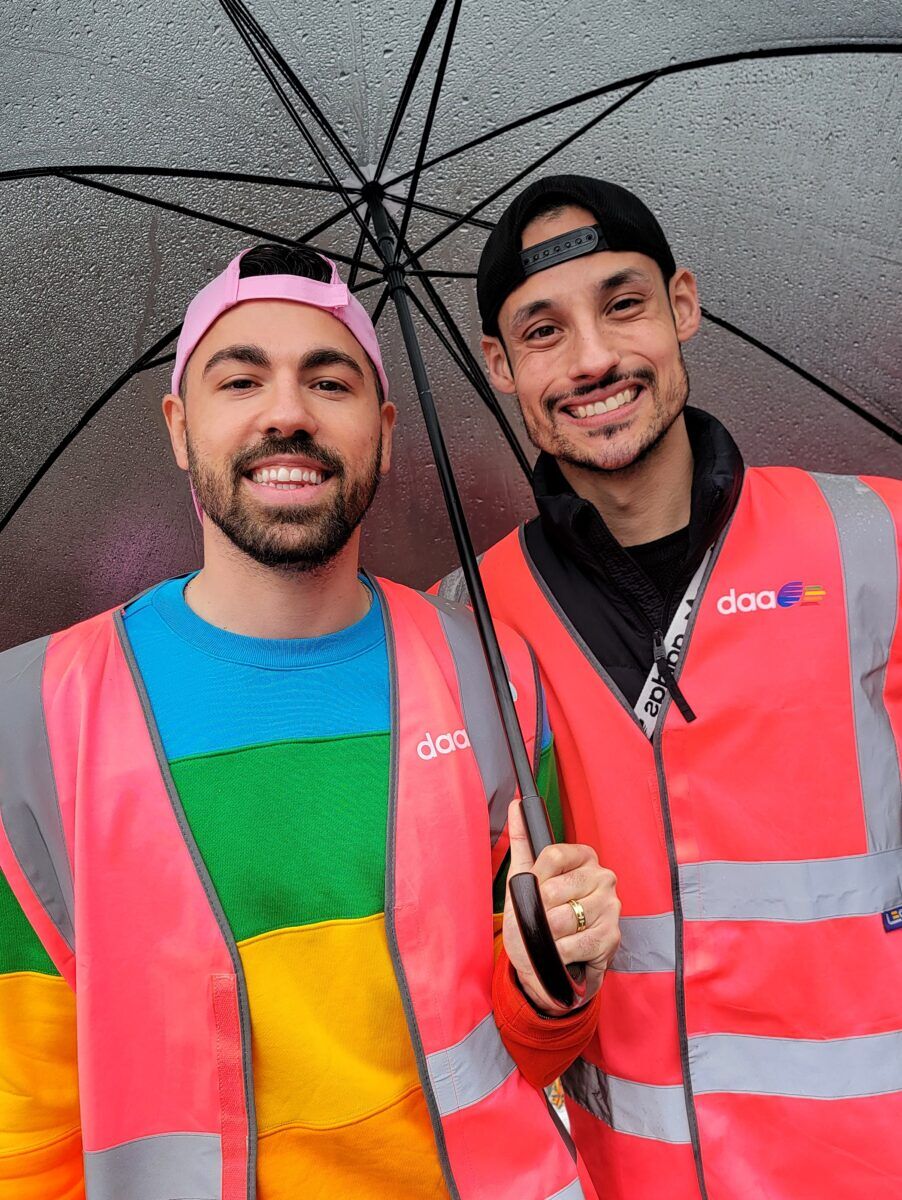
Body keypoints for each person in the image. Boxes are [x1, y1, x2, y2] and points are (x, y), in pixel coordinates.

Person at [0, 244, 623, 1200]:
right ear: (179, 425)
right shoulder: (30, 719)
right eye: (241, 376)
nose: (287, 412)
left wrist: (556, 989)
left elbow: (530, 1052)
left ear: (380, 428)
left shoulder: (489, 675)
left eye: (327, 381)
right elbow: (24, 1141)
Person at [438, 175, 902, 1199]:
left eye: (622, 304)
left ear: (681, 304)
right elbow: (504, 1044)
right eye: (542, 330)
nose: (593, 359)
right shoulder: (459, 630)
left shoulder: (875, 539)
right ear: (498, 366)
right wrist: (545, 980)